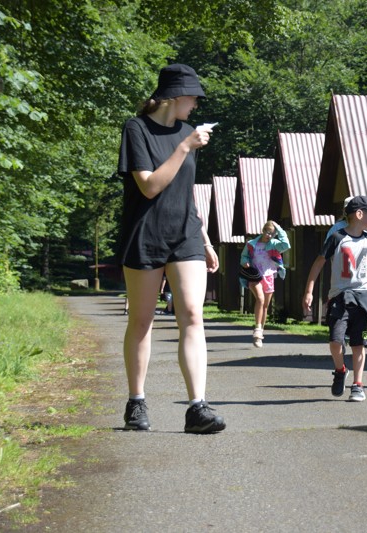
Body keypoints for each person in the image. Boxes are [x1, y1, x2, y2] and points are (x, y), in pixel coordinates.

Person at [117, 63, 226, 434]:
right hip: (145, 234)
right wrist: (184, 147)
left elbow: (186, 192)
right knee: (142, 320)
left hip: (185, 235)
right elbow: (150, 186)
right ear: (175, 96)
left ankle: (197, 408)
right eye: (193, 98)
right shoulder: (137, 129)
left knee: (193, 314)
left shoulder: (187, 133)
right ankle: (136, 402)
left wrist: (205, 240)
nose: (196, 105)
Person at [302, 195, 367, 402]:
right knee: (335, 341)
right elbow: (318, 263)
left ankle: (358, 385)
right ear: (359, 214)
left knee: (359, 343)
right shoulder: (336, 238)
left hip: (364, 297)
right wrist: (309, 291)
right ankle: (340, 370)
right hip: (340, 297)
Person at [240, 220, 290, 347]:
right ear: (263, 230)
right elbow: (244, 256)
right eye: (267, 232)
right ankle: (257, 329)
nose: (269, 235)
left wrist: (279, 228)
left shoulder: (274, 244)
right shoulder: (252, 244)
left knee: (265, 306)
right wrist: (245, 262)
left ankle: (260, 333)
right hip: (255, 276)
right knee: (260, 299)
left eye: (272, 234)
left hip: (268, 276)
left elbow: (286, 245)